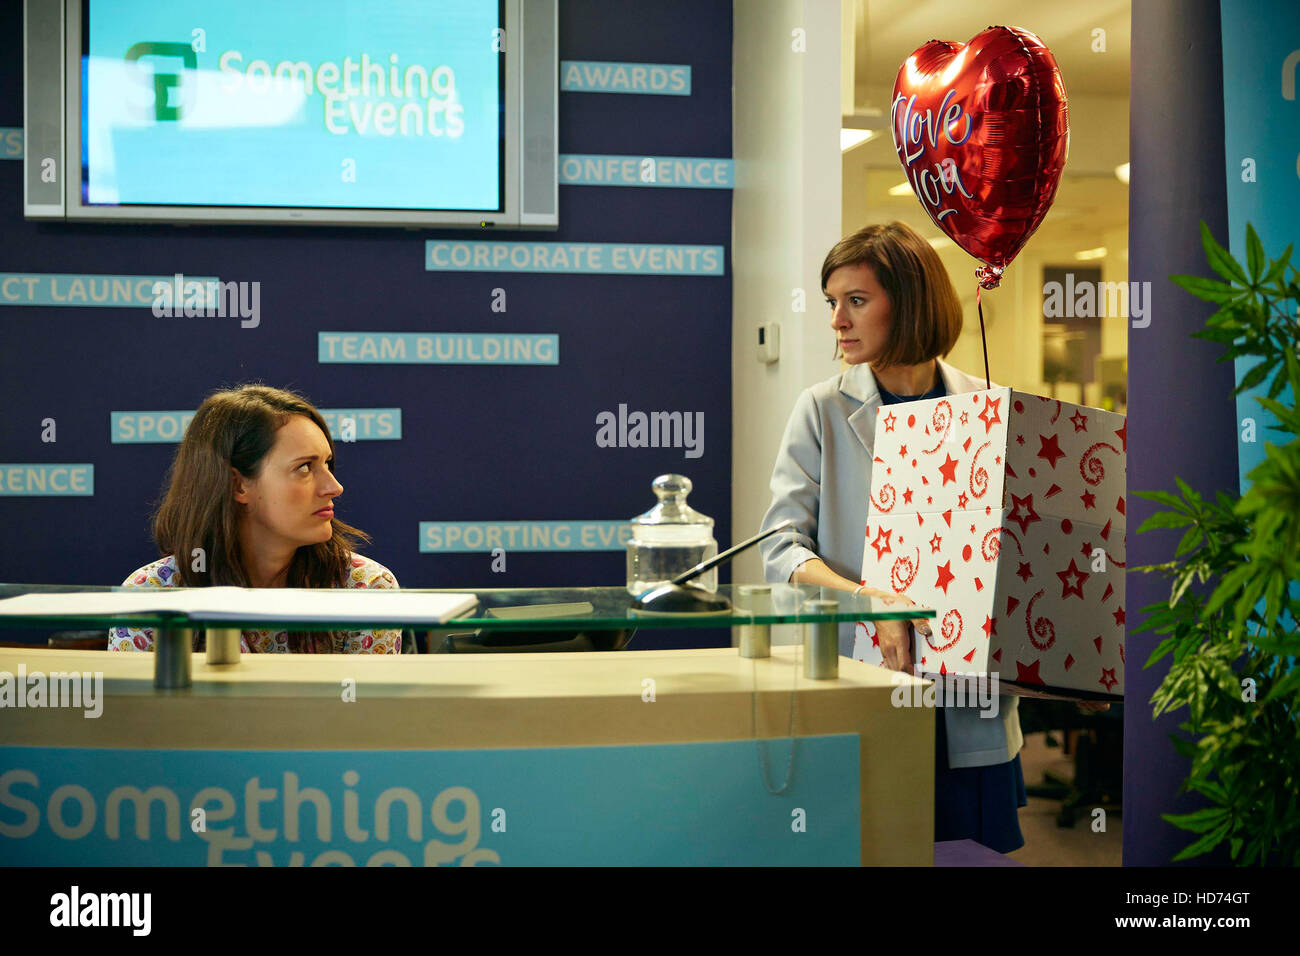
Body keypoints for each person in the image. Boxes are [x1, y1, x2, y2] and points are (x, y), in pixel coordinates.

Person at [758, 220, 1028, 852]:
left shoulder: (988, 403)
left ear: (906, 302)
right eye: (832, 303)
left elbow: (1018, 559)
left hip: (972, 703)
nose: (836, 321)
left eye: (856, 301)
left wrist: (1072, 672)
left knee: (972, 857)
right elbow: (781, 550)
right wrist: (875, 600)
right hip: (870, 676)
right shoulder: (821, 408)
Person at [109, 384, 402, 654]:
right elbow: (139, 711)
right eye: (304, 468)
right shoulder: (151, 595)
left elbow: (364, 711)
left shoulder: (365, 588)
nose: (334, 487)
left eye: (327, 464)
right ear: (238, 485)